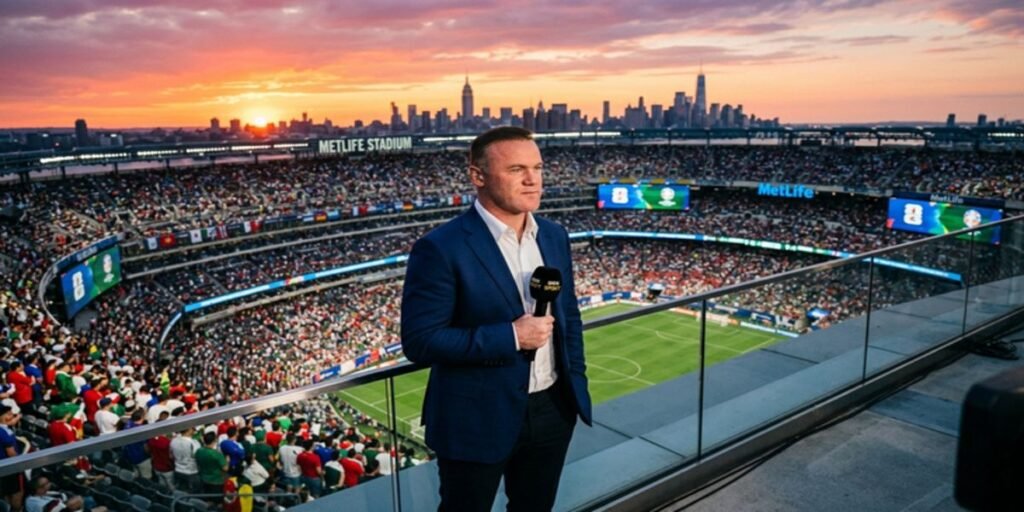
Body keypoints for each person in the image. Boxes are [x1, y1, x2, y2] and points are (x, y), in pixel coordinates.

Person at [401, 126, 592, 511]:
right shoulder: (440, 247)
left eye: (537, 168)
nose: (532, 179)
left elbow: (568, 316)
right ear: (478, 176)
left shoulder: (554, 236)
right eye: (517, 169)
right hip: (476, 418)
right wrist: (510, 336)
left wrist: (575, 385)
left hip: (552, 408)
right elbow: (420, 341)